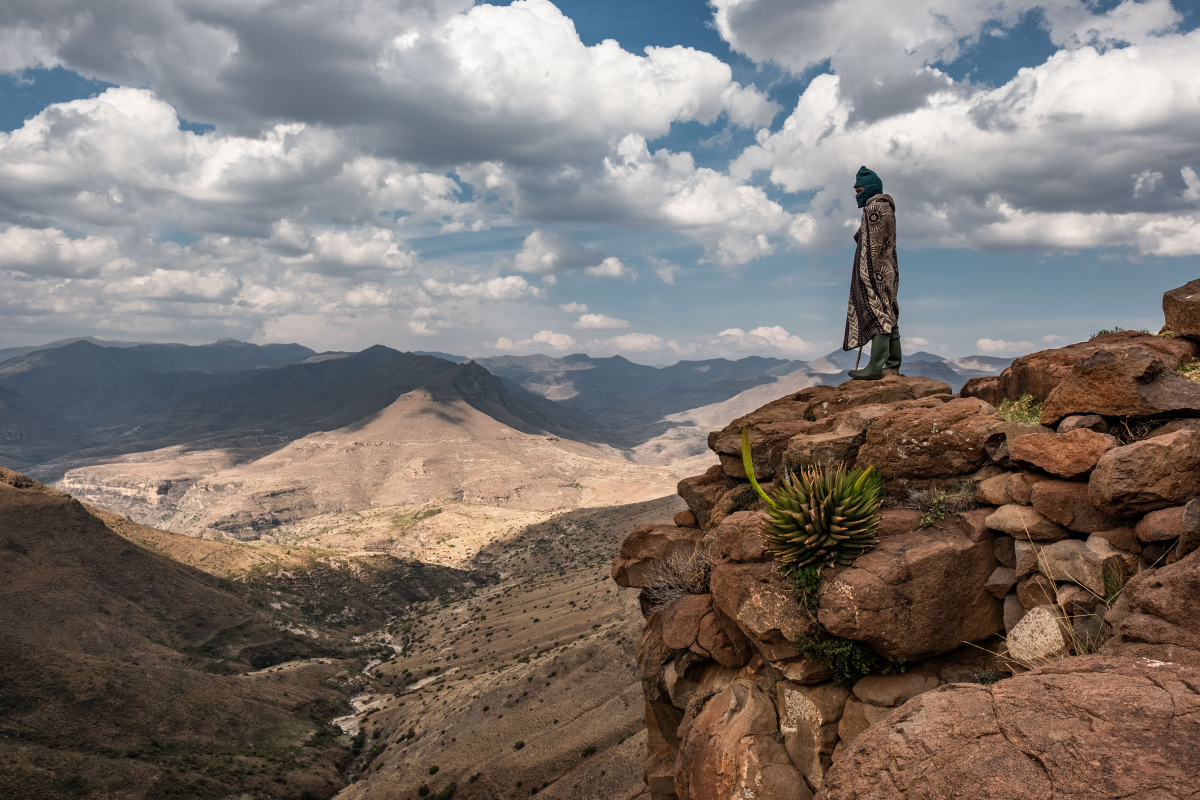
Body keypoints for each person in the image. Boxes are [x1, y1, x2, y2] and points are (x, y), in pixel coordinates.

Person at [843, 166, 900, 380]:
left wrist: (865, 276)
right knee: (888, 312)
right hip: (888, 271)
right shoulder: (887, 208)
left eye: (859, 191)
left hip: (875, 272)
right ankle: (894, 363)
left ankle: (876, 367)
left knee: (878, 313)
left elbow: (871, 246)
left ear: (870, 188)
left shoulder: (874, 209)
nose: (856, 195)